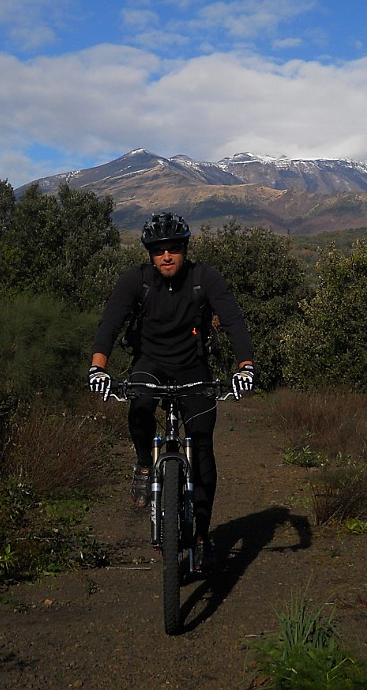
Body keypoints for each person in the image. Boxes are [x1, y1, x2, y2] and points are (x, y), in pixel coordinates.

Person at [87, 211, 255, 572]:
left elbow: (234, 320)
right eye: (158, 250)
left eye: (174, 249)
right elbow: (111, 322)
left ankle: (201, 536)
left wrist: (246, 366)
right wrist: (97, 367)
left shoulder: (204, 278)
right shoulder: (136, 280)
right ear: (149, 253)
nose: (166, 256)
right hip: (150, 362)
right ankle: (146, 466)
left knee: (203, 449)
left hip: (193, 368)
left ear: (184, 249)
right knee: (140, 405)